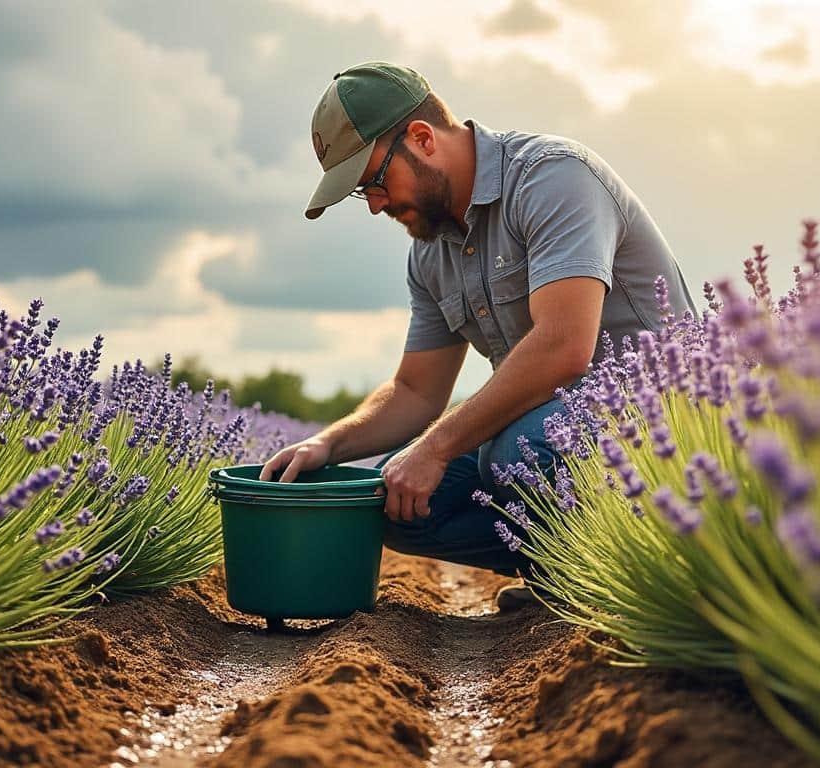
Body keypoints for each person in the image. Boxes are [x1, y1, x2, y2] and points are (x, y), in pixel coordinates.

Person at [260, 61, 696, 610]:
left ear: (421, 139)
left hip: (662, 420)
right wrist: (330, 443)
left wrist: (437, 447)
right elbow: (416, 391)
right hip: (560, 421)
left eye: (373, 182)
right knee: (388, 499)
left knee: (519, 450)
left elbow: (565, 346)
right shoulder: (430, 250)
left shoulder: (552, 177)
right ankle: (568, 567)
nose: (374, 205)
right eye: (359, 194)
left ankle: (612, 578)